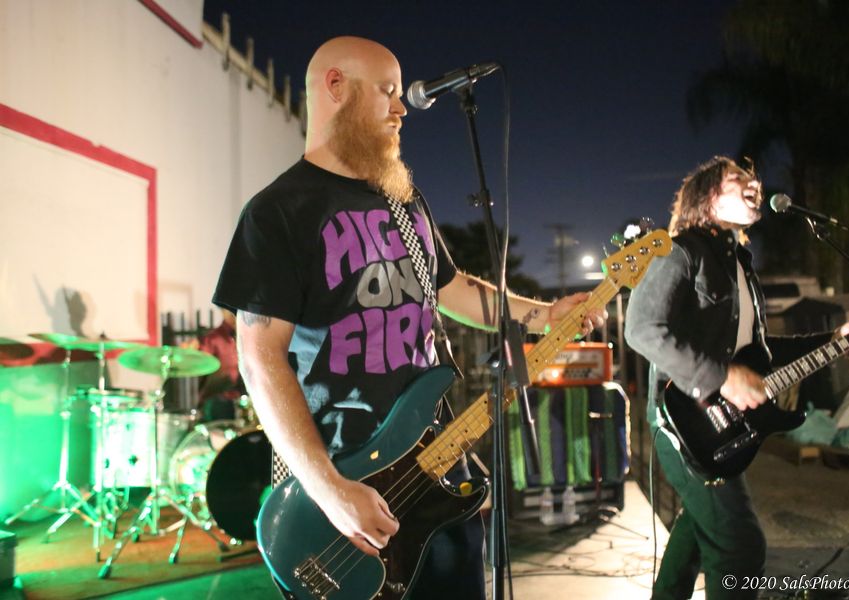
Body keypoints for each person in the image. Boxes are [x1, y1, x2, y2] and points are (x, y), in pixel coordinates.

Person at [212, 36, 605, 599]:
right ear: (336, 86)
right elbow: (259, 359)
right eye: (388, 91)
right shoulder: (277, 212)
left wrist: (543, 315)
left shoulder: (403, 200)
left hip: (434, 468)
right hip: (342, 485)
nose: (401, 108)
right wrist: (329, 489)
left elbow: (451, 288)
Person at [624, 156, 849, 600]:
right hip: (682, 423)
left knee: (699, 532)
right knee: (740, 548)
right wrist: (721, 378)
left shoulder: (739, 263)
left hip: (717, 427)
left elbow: (760, 352)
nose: (754, 183)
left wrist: (835, 339)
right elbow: (641, 329)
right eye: (738, 178)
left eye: (754, 177)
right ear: (708, 196)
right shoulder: (679, 251)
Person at [195, 308, 244, 421]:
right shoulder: (212, 339)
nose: (234, 314)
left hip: (241, 396)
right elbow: (202, 367)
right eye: (229, 311)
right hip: (219, 399)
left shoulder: (243, 336)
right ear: (222, 311)